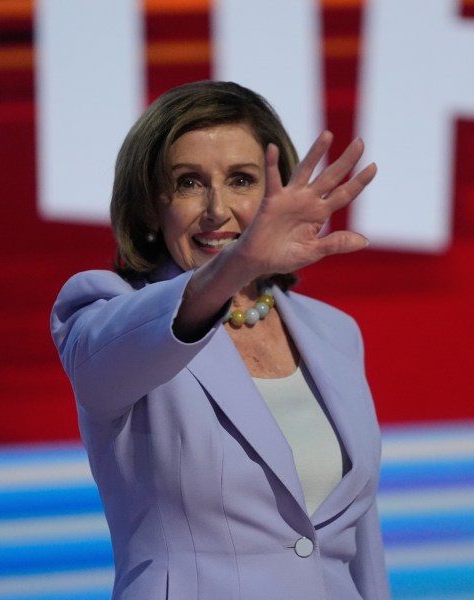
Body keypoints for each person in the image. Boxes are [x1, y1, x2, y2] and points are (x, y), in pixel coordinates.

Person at [51, 80, 389, 599]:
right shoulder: (104, 312)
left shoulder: (334, 332)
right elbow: (102, 364)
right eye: (188, 183)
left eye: (241, 180)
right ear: (148, 206)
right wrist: (238, 265)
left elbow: (358, 541)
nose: (217, 209)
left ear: (274, 194)